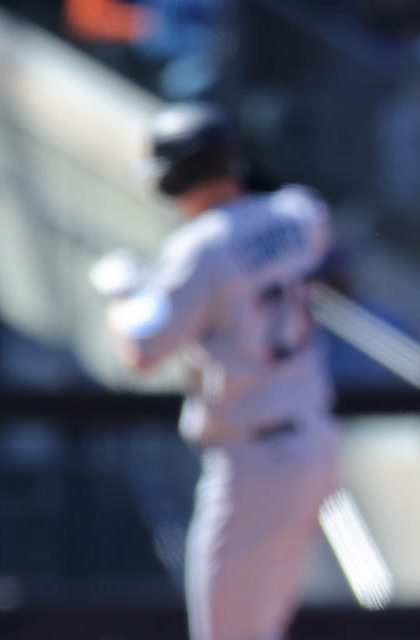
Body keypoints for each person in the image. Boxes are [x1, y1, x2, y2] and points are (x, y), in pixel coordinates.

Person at [96, 102, 339, 640]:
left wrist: (119, 293)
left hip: (253, 460)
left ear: (174, 177)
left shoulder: (197, 248)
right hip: (314, 444)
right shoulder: (299, 212)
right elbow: (313, 233)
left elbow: (140, 349)